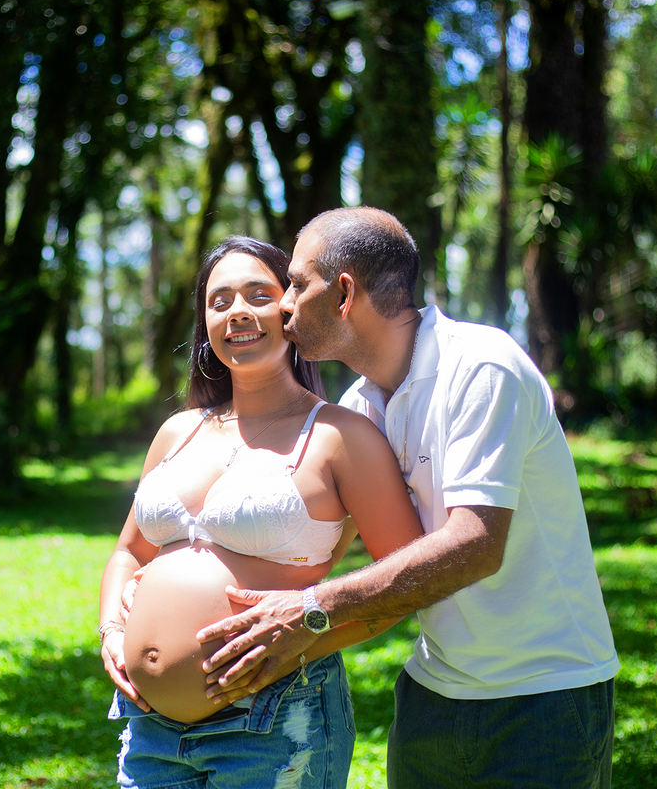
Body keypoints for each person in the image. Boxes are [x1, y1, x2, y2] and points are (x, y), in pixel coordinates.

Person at [196, 208, 620, 788]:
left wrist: (311, 610)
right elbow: (313, 543)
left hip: (543, 698)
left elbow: (476, 545)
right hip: (431, 695)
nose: (285, 304)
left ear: (344, 293)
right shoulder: (365, 407)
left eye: (296, 283)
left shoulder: (480, 367)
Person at [98, 235, 424, 789]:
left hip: (276, 720)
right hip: (148, 730)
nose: (237, 313)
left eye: (258, 295)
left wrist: (294, 641)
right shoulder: (177, 432)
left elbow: (406, 582)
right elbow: (129, 552)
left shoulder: (339, 437)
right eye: (219, 301)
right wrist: (111, 628)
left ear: (291, 307)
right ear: (204, 324)